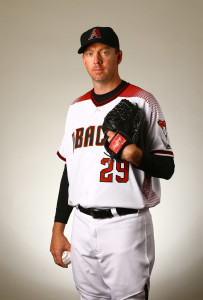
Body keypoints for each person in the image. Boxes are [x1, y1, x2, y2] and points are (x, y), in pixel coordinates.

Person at [50, 26, 175, 300]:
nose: (97, 60)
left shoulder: (143, 101)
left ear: (118, 56)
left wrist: (136, 155)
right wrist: (58, 229)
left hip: (126, 225)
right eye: (90, 53)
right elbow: (69, 171)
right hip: (82, 224)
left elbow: (167, 168)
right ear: (83, 59)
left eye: (104, 52)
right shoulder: (76, 108)